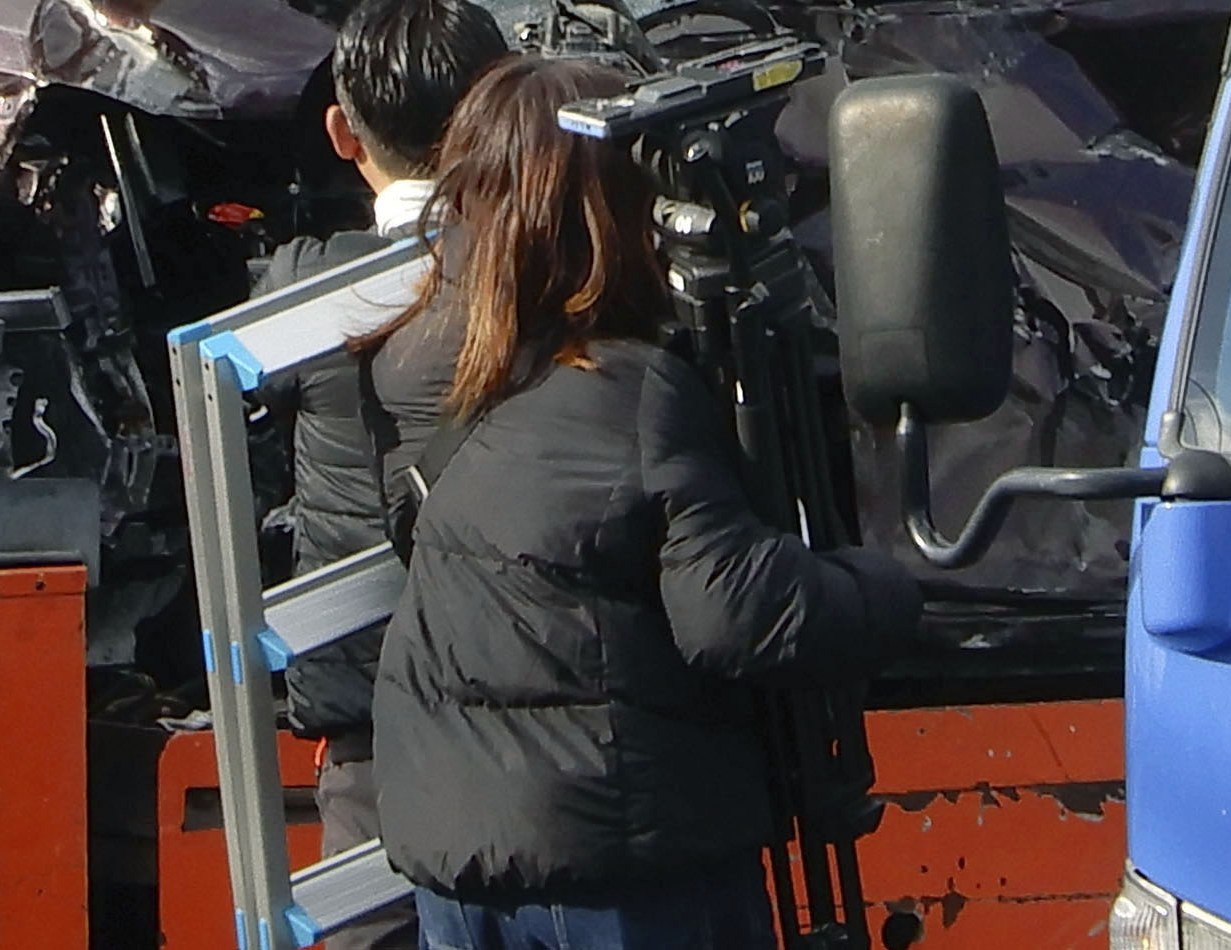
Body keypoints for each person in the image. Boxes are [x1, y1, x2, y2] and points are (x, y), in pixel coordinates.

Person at [371, 55, 923, 950]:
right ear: (617, 211)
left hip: (456, 844)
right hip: (606, 857)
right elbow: (734, 610)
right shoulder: (630, 390)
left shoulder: (434, 368)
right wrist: (884, 590)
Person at [262, 0, 509, 950]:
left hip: (370, 721)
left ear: (339, 131)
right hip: (541, 714)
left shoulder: (296, 289)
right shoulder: (564, 271)